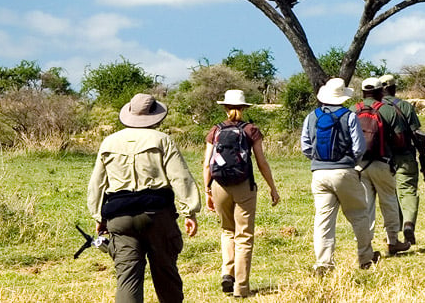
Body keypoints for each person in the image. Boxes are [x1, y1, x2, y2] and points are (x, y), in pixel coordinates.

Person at [87, 93, 201, 303]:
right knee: (165, 272)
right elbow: (180, 177)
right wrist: (189, 211)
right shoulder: (162, 140)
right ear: (155, 116)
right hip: (157, 215)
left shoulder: (109, 142)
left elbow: (97, 183)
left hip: (120, 216)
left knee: (127, 277)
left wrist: (98, 216)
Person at [203, 89, 281, 298]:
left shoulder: (215, 130)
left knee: (227, 231)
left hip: (219, 185)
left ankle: (227, 272)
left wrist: (207, 190)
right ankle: (241, 287)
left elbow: (206, 164)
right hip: (244, 185)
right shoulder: (250, 130)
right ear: (244, 108)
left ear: (226, 108)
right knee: (244, 236)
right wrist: (272, 187)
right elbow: (261, 162)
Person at [301, 77, 378, 274]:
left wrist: (318, 160)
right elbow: (359, 146)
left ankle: (323, 264)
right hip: (344, 171)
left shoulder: (312, 116)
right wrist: (350, 162)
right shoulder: (349, 116)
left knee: (323, 220)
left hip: (319, 173)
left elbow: (305, 147)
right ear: (342, 97)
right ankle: (366, 258)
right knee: (359, 215)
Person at [355, 77, 411, 257]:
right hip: (382, 162)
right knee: (389, 202)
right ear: (380, 92)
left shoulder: (352, 110)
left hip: (359, 165)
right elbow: (400, 140)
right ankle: (392, 241)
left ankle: (365, 246)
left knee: (366, 206)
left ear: (363, 93)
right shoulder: (387, 110)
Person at [379, 74, 425, 245]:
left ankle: (393, 235)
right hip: (405, 156)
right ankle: (408, 223)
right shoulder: (405, 106)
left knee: (389, 195)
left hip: (382, 159)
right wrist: (423, 157)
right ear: (394, 88)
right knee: (407, 191)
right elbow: (417, 133)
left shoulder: (376, 108)